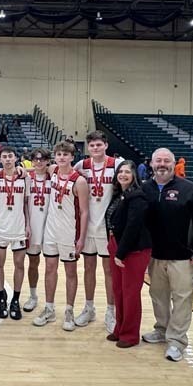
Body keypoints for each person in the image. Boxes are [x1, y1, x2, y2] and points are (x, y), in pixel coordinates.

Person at [141, 147, 193, 362]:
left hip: (182, 256)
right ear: (151, 164)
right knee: (158, 297)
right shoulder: (144, 188)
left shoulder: (190, 189)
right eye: (158, 160)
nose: (162, 164)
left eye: (166, 160)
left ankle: (177, 341)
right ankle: (162, 329)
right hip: (154, 255)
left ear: (174, 164)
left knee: (181, 299)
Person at [32, 141, 89, 331]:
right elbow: (36, 167)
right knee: (49, 268)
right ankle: (49, 308)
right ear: (54, 157)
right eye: (59, 154)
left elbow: (84, 212)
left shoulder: (79, 181)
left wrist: (81, 238)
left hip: (69, 233)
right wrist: (21, 171)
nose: (62, 157)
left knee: (70, 272)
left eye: (66, 154)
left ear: (72, 157)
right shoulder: (53, 170)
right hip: (51, 230)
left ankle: (70, 310)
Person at [72, 131, 119, 333]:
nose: (95, 148)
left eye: (99, 145)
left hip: (107, 227)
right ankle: (89, 308)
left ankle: (111, 311)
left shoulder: (117, 165)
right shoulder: (81, 166)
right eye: (92, 146)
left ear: (106, 145)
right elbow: (58, 170)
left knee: (109, 270)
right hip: (87, 226)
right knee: (88, 268)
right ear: (88, 148)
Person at [104, 161, 152, 348]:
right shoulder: (120, 194)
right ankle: (120, 328)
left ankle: (130, 335)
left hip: (133, 250)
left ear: (134, 176)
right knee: (118, 290)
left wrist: (121, 253)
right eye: (120, 171)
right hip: (117, 245)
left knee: (130, 293)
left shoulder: (137, 197)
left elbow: (133, 227)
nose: (123, 175)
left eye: (127, 172)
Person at [0, 146, 30, 319]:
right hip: (1, 227)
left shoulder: (25, 177)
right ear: (0, 159)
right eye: (4, 157)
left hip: (19, 227)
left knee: (19, 264)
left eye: (10, 156)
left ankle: (15, 299)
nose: (7, 159)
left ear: (16, 157)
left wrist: (28, 225)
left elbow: (26, 204)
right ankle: (1, 297)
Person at [23, 148, 51, 313]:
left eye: (42, 159)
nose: (39, 162)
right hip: (33, 226)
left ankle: (50, 303)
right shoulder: (26, 177)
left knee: (50, 266)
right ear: (32, 161)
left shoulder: (54, 176)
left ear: (48, 161)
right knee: (33, 263)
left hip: (50, 227)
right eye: (36, 159)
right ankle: (33, 296)